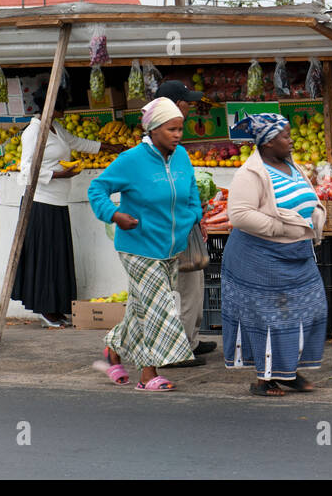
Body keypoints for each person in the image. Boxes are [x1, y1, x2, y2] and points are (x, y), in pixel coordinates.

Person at [87, 98, 202, 391]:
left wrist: (193, 218)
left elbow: (191, 193)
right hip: (138, 247)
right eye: (171, 129)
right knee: (158, 308)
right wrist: (113, 214)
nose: (178, 135)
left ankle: (112, 351)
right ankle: (148, 375)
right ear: (153, 130)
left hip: (171, 248)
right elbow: (97, 187)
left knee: (141, 307)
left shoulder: (182, 158)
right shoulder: (131, 160)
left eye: (180, 129)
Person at [221, 113, 328, 397]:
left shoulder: (292, 166)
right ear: (267, 143)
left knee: (311, 308)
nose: (291, 140)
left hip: (296, 254)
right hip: (259, 258)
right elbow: (240, 215)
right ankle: (263, 380)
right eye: (285, 136)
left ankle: (287, 371)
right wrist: (279, 228)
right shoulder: (250, 173)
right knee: (269, 318)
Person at [14, 81, 123, 328]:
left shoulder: (55, 128)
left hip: (58, 202)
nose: (65, 111)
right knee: (44, 257)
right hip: (40, 203)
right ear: (51, 107)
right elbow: (26, 171)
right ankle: (44, 309)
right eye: (62, 107)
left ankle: (56, 306)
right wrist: (58, 175)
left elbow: (77, 143)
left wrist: (110, 147)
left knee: (57, 255)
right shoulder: (33, 132)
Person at [154, 79, 216, 364]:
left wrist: (198, 216)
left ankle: (188, 340)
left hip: (183, 226)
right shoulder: (159, 150)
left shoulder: (173, 147)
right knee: (184, 289)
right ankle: (178, 350)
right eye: (186, 101)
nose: (190, 106)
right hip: (172, 231)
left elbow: (186, 185)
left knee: (193, 285)